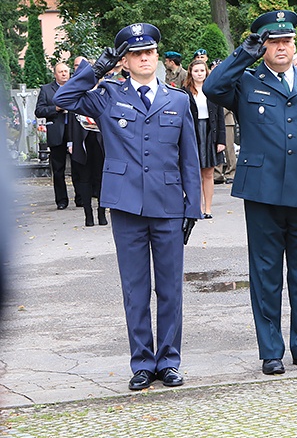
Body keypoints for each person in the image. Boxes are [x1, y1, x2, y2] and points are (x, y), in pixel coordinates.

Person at [54, 22, 202, 390]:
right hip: (126, 206)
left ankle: (168, 360)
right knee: (135, 288)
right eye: (136, 54)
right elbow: (64, 98)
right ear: (126, 60)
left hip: (168, 204)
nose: (145, 58)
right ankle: (141, 362)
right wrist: (101, 65)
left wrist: (193, 207)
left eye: (149, 52)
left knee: (169, 288)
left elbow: (189, 157)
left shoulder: (178, 99)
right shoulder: (107, 95)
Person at [204, 10, 297, 375]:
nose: (282, 48)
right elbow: (212, 88)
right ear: (264, 46)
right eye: (274, 42)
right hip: (263, 192)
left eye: (287, 41)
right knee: (265, 275)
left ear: (295, 43)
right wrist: (243, 53)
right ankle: (270, 351)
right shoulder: (247, 82)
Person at [183, 59, 226, 218]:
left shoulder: (212, 90)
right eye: (196, 71)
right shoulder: (184, 91)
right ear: (191, 73)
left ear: (206, 72)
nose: (199, 74)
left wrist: (221, 140)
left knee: (208, 173)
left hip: (210, 132)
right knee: (194, 173)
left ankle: (208, 208)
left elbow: (220, 116)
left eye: (202, 71)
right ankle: (197, 208)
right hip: (192, 133)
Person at [67, 56, 106, 227]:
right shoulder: (78, 95)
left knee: (101, 178)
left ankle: (102, 213)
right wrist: (70, 142)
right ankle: (88, 215)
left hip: (100, 142)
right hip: (82, 141)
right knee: (84, 178)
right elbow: (70, 118)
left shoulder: (104, 93)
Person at [35, 62, 79, 210]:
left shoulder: (76, 87)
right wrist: (56, 108)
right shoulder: (46, 90)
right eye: (61, 72)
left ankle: (80, 198)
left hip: (75, 131)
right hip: (57, 131)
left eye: (66, 71)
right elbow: (39, 110)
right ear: (55, 74)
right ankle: (61, 200)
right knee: (58, 169)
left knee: (78, 166)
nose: (64, 74)